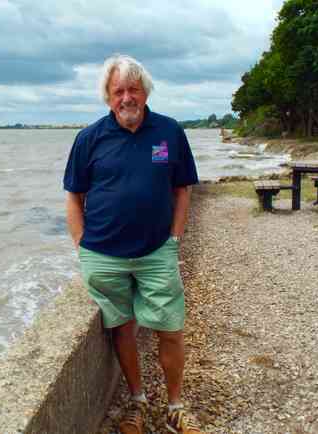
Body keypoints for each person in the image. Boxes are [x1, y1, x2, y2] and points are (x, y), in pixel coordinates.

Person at [63, 54, 202, 434]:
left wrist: (174, 239)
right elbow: (74, 197)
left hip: (157, 251)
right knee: (122, 329)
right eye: (118, 90)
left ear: (145, 92)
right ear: (108, 97)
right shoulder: (88, 138)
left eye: (133, 89)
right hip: (104, 256)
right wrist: (82, 246)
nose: (127, 97)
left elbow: (182, 189)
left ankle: (175, 406)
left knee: (170, 329)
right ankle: (137, 402)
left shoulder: (170, 132)